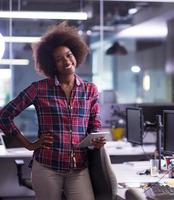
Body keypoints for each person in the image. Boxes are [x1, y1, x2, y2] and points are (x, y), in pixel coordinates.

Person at [0, 21, 105, 200]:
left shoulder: (90, 90)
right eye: (58, 58)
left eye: (68, 55)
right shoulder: (39, 89)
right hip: (47, 167)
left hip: (79, 167)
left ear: (75, 55)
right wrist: (29, 144)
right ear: (51, 64)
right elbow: (4, 116)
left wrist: (96, 140)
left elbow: (93, 125)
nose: (66, 61)